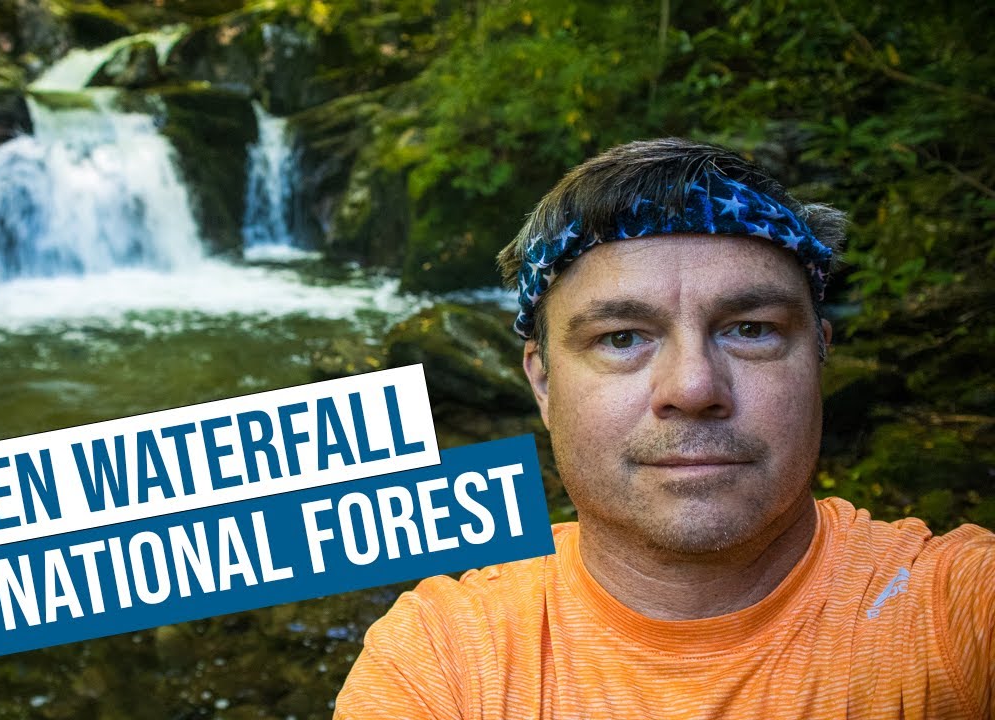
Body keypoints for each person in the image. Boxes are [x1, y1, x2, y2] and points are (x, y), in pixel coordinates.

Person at [333, 138, 994, 719]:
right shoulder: (441, 662)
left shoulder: (955, 617)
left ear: (819, 354)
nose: (693, 388)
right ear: (541, 380)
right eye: (622, 337)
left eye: (751, 330)